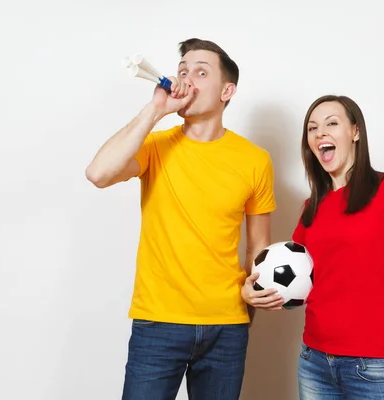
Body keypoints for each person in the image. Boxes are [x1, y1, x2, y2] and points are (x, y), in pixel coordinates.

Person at [242, 82, 384, 399]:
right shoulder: (312, 207)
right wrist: (254, 291)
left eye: (332, 123)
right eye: (312, 128)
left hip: (376, 365)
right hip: (314, 362)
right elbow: (294, 280)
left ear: (355, 131)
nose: (320, 133)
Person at [85, 38, 277, 400]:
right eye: (183, 70)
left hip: (227, 325)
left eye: (201, 72)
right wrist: (155, 110)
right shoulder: (155, 145)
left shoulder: (255, 160)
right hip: (158, 323)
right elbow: (98, 173)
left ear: (227, 90)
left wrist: (257, 284)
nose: (187, 79)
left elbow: (259, 245)